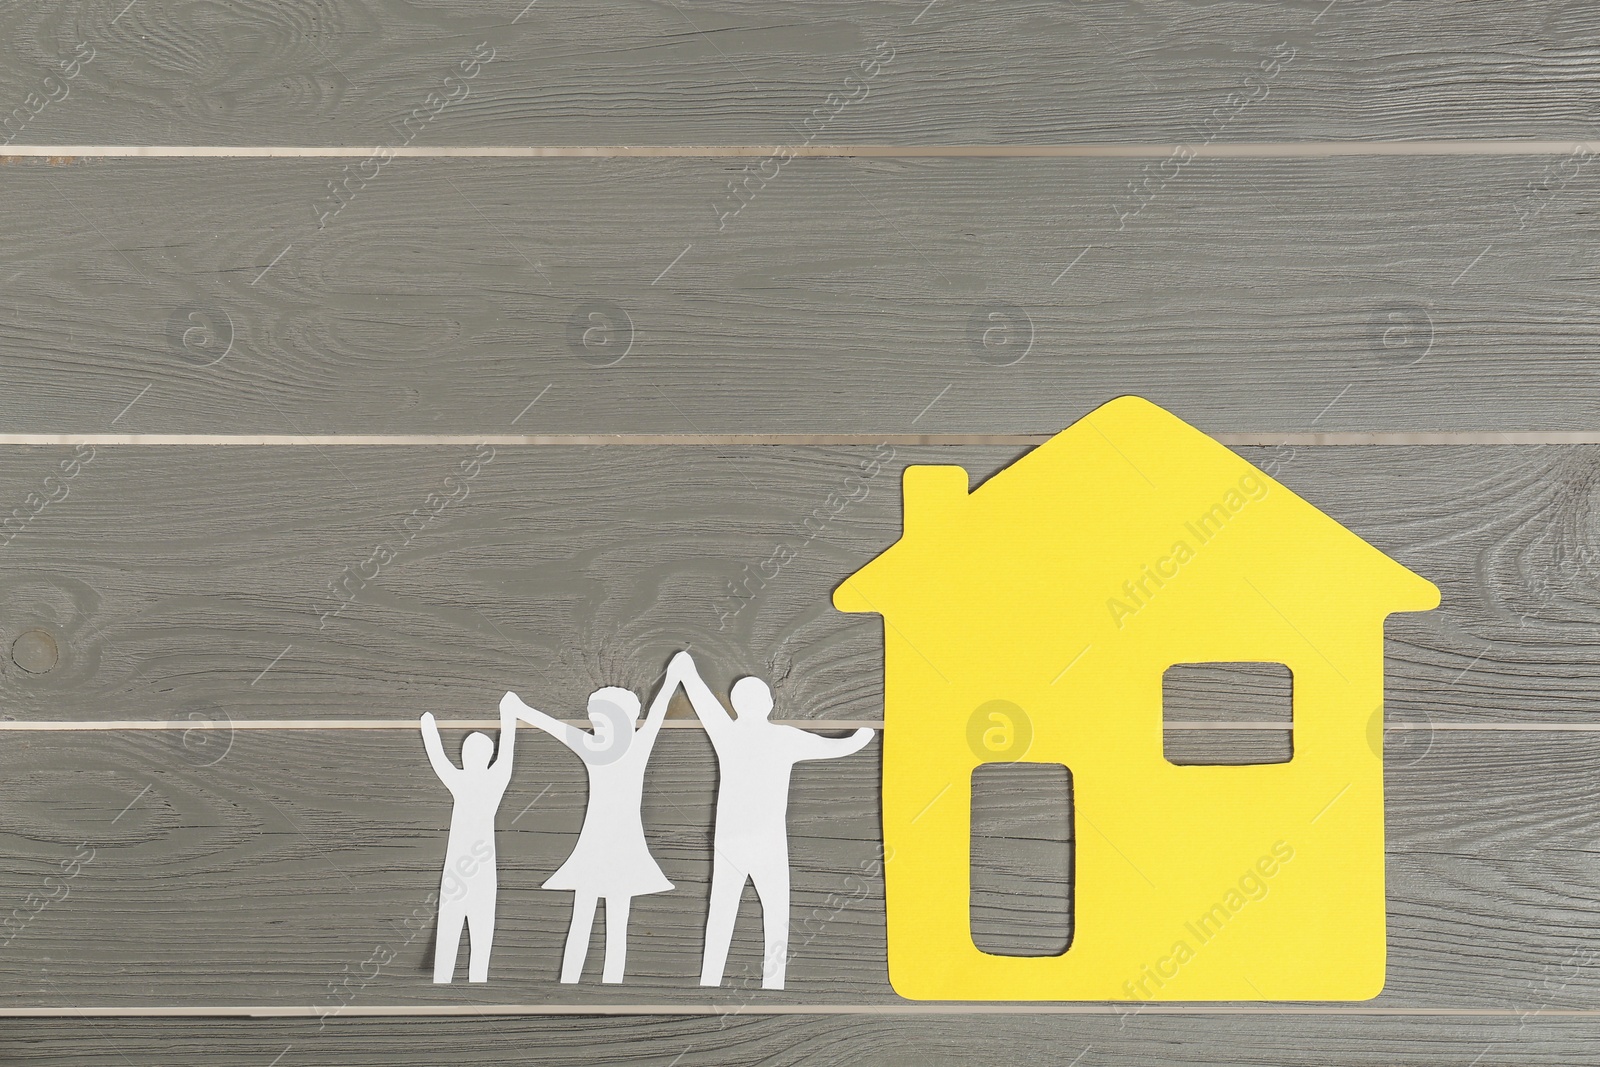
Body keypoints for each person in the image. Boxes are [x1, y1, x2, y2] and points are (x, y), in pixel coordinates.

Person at [675, 651, 874, 990]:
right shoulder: (784, 737)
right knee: (775, 911)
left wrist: (688, 672)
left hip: (731, 839)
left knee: (723, 908)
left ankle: (712, 979)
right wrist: (864, 734)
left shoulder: (728, 732)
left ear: (737, 704)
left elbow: (705, 703)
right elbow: (837, 747)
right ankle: (772, 982)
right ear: (768, 704)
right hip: (764, 841)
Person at [500, 652, 690, 984]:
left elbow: (657, 714)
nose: (597, 725)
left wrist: (674, 677)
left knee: (615, 919)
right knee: (585, 914)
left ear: (626, 720)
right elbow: (556, 728)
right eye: (595, 719)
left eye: (603, 718)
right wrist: (522, 710)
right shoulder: (595, 747)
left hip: (623, 848)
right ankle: (570, 983)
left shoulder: (633, 746)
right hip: (596, 848)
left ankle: (607, 985)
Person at [418, 701, 516, 983]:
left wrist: (428, 725)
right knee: (469, 928)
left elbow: (438, 758)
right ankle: (461, 979)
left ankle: (466, 980)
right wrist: (508, 715)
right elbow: (506, 751)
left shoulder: (467, 781)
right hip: (472, 867)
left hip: (469, 867)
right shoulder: (492, 779)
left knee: (474, 927)